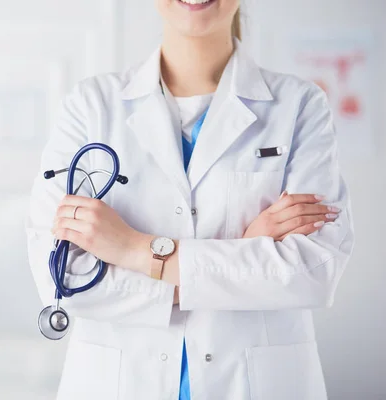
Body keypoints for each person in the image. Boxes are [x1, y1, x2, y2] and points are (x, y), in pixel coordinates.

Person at [25, 0, 354, 399]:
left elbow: (313, 272)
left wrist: (132, 249)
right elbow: (62, 278)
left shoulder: (300, 106)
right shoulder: (90, 106)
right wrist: (244, 253)